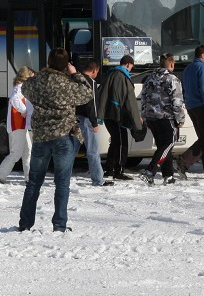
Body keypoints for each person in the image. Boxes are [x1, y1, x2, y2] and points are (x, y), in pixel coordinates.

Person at [18, 48, 92, 232]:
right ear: (67, 64)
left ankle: (25, 224)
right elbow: (87, 94)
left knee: (34, 183)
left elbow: (25, 89)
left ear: (49, 62)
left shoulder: (36, 82)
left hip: (41, 137)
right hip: (63, 137)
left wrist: (43, 73)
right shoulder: (68, 83)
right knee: (62, 183)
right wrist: (76, 75)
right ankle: (59, 225)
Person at [139, 54, 186, 186]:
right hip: (166, 117)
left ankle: (168, 175)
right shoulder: (172, 79)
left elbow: (143, 98)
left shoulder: (149, 79)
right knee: (170, 143)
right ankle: (150, 171)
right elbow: (177, 101)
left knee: (163, 147)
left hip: (151, 118)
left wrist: (144, 116)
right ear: (171, 64)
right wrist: (180, 119)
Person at [175, 44, 204, 179]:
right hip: (202, 106)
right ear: (202, 55)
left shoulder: (187, 69)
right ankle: (182, 162)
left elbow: (182, 87)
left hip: (190, 106)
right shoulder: (203, 68)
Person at [96, 54, 143, 180]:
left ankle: (110, 170)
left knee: (115, 142)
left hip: (107, 114)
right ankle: (118, 170)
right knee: (122, 143)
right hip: (117, 115)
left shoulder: (110, 74)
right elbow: (130, 103)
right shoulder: (123, 77)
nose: (130, 70)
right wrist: (137, 121)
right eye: (131, 67)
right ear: (128, 65)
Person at [69, 57, 112, 187]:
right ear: (94, 70)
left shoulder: (75, 80)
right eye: (97, 72)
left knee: (72, 150)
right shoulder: (90, 83)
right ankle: (98, 179)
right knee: (92, 150)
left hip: (74, 118)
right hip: (86, 119)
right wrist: (94, 122)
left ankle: (63, 175)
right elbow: (91, 104)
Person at [0, 66, 35, 184]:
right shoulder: (19, 88)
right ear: (26, 75)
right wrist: (23, 111)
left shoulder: (22, 87)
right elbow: (15, 99)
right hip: (18, 125)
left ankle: (29, 177)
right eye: (32, 75)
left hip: (23, 125)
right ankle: (0, 174)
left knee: (28, 151)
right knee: (16, 153)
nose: (34, 77)